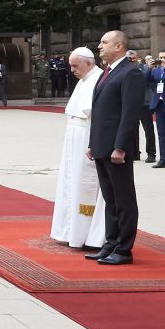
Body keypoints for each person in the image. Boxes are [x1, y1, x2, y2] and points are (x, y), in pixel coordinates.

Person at [85, 30, 146, 265]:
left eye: (104, 42)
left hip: (116, 148)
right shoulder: (108, 72)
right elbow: (100, 112)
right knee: (110, 200)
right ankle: (110, 243)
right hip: (102, 145)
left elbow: (129, 114)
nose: (99, 46)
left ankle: (123, 249)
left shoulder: (131, 73)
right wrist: (93, 143)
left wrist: (120, 147)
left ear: (119, 46)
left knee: (123, 200)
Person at [50, 47, 106, 249]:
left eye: (75, 65)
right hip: (74, 136)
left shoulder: (98, 79)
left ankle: (85, 235)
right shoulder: (83, 80)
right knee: (70, 181)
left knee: (85, 184)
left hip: (86, 136)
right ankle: (68, 231)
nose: (71, 69)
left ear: (89, 63)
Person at [128, 50, 157, 164]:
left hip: (144, 103)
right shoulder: (125, 70)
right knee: (132, 129)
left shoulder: (145, 68)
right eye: (129, 59)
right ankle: (135, 153)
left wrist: (149, 68)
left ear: (137, 58)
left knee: (148, 129)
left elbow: (143, 80)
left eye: (133, 58)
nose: (131, 60)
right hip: (131, 103)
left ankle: (151, 153)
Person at [150, 49, 165, 169]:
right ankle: (163, 160)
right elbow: (147, 80)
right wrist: (149, 68)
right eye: (161, 57)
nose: (162, 59)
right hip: (159, 105)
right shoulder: (156, 70)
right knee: (161, 134)